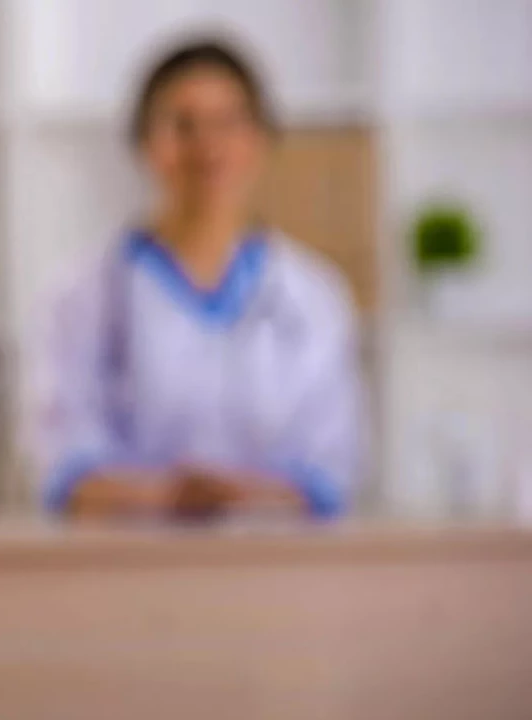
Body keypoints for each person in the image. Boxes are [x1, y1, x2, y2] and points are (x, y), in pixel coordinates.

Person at [29, 39, 364, 522]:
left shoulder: (314, 296)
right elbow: (63, 468)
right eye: (182, 125)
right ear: (143, 142)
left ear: (262, 138)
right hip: (124, 574)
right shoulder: (80, 295)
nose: (207, 146)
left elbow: (332, 472)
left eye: (229, 122)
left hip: (275, 570)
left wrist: (236, 499)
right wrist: (170, 499)